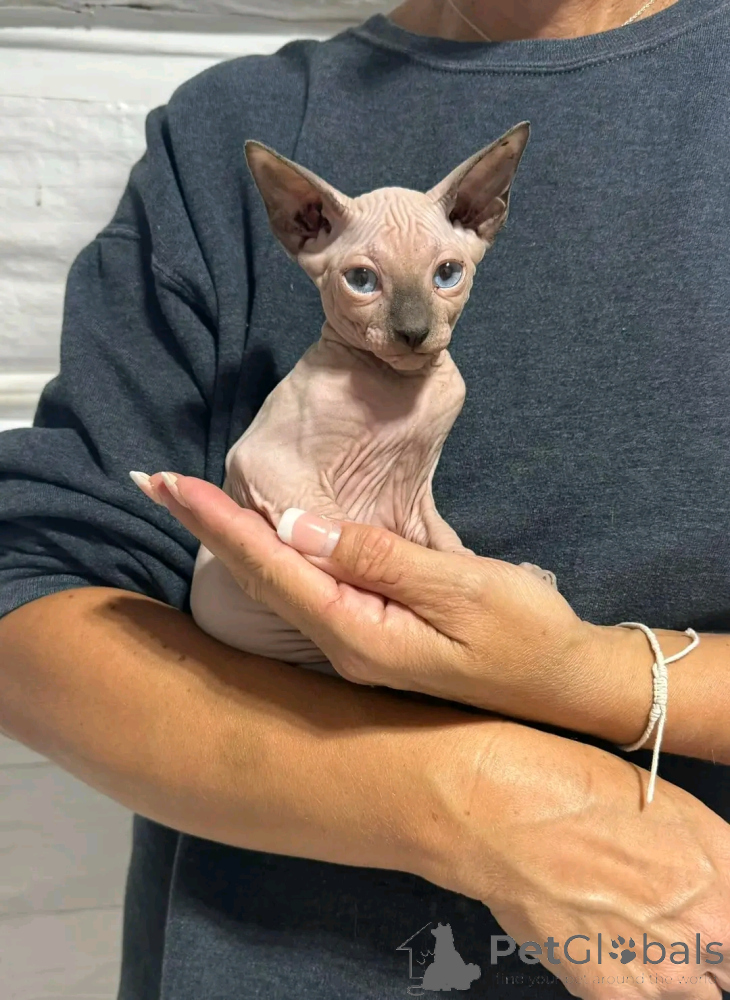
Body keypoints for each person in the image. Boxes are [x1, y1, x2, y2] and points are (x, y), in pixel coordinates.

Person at [0, 0, 729, 997]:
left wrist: (584, 676)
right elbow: (28, 601)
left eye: (445, 272)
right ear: (303, 230)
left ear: (483, 214)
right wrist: (475, 798)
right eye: (366, 283)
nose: (416, 323)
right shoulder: (233, 125)